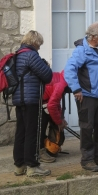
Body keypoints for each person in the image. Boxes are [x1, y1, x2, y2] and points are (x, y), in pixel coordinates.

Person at [64, 23, 98, 172]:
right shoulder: (82, 51)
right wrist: (76, 89)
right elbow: (69, 70)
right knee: (87, 128)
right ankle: (87, 160)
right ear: (93, 37)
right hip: (87, 97)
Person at [13, 30, 53, 177]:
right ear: (34, 42)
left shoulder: (18, 54)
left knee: (21, 132)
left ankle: (19, 165)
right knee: (33, 132)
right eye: (39, 44)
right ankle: (32, 166)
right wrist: (46, 65)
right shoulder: (31, 55)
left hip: (19, 99)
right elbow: (47, 76)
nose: (40, 47)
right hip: (31, 100)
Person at [39, 70, 69, 163]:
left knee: (43, 127)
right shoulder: (61, 84)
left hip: (42, 101)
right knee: (41, 129)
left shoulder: (61, 77)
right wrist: (59, 122)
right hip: (38, 102)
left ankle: (48, 148)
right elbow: (52, 105)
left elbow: (56, 102)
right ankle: (41, 152)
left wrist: (60, 118)